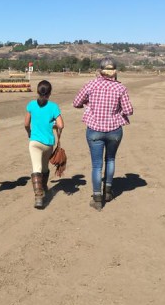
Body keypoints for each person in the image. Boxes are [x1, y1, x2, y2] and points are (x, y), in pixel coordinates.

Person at [73, 58, 133, 210]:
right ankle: (108, 190)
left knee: (96, 165)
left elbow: (76, 103)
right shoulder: (121, 88)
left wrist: (88, 104)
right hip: (114, 130)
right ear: (114, 71)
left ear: (100, 70)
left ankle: (97, 197)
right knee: (111, 159)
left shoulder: (91, 85)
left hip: (94, 130)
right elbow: (129, 111)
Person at [24, 80, 64, 209]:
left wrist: (29, 132)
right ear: (50, 93)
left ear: (37, 91)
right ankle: (45, 187)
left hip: (34, 142)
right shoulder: (53, 106)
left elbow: (26, 123)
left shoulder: (31, 105)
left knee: (36, 168)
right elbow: (61, 125)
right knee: (45, 167)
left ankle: (38, 197)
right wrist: (54, 127)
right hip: (48, 143)